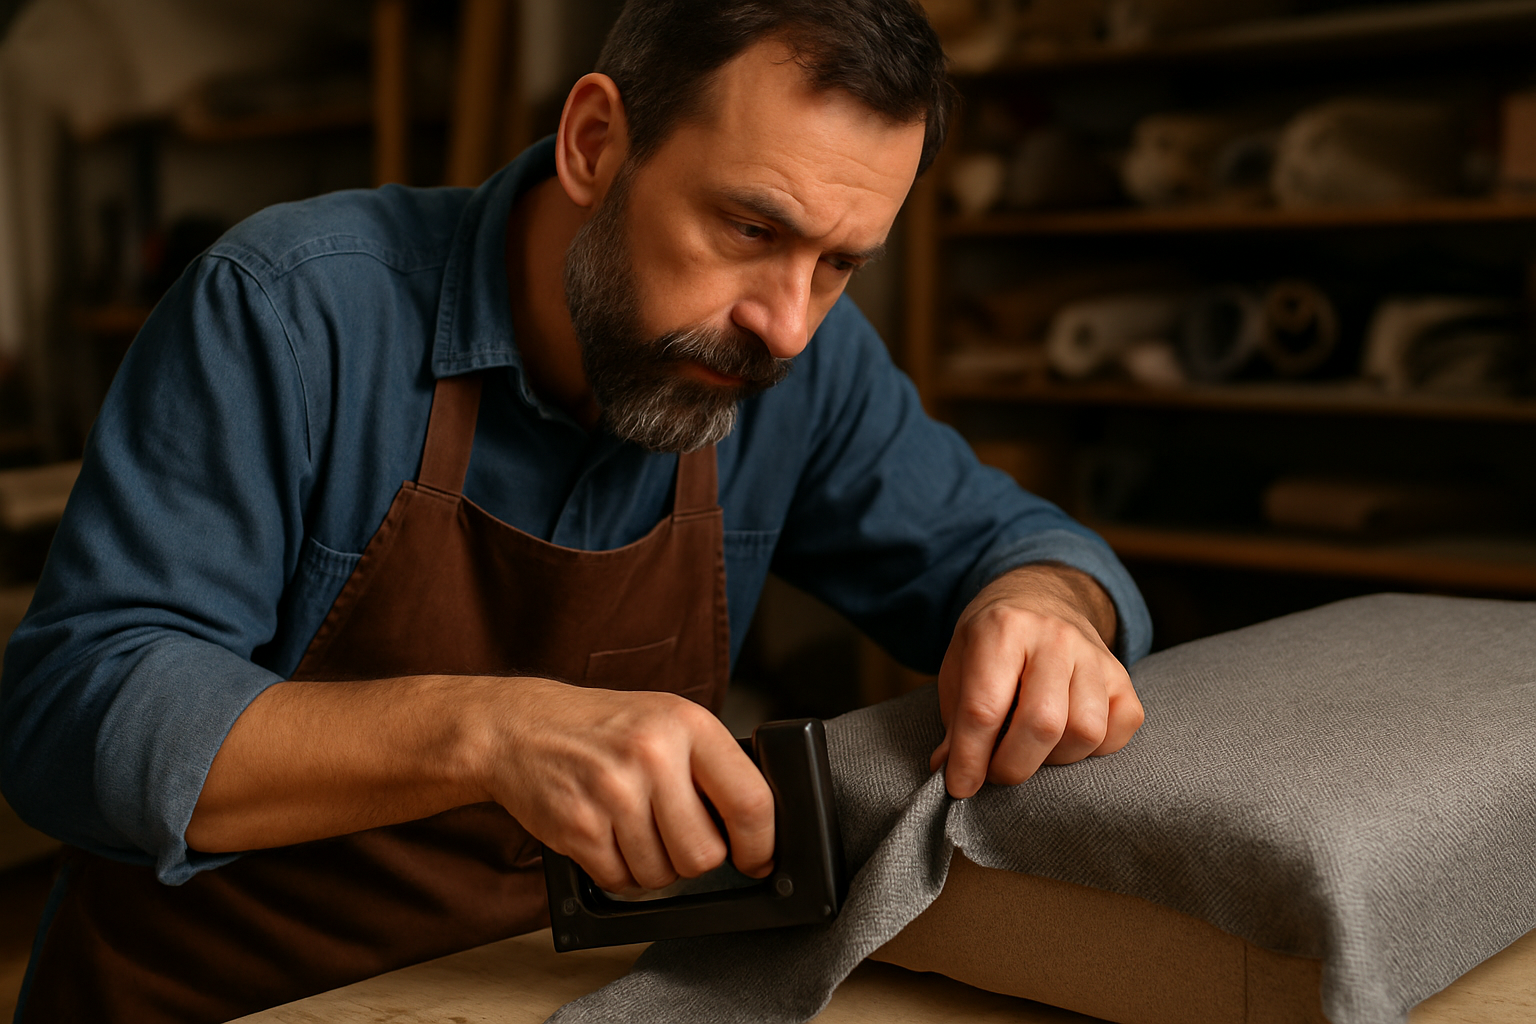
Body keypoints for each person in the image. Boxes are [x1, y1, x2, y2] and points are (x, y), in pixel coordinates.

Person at [0, 1, 1152, 1020]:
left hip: (526, 995)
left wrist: (1044, 608)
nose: (788, 324)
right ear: (596, 142)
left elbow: (1020, 545)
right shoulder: (289, 313)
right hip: (221, 997)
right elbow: (70, 714)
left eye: (840, 262)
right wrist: (488, 731)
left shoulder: (799, 364)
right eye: (750, 228)